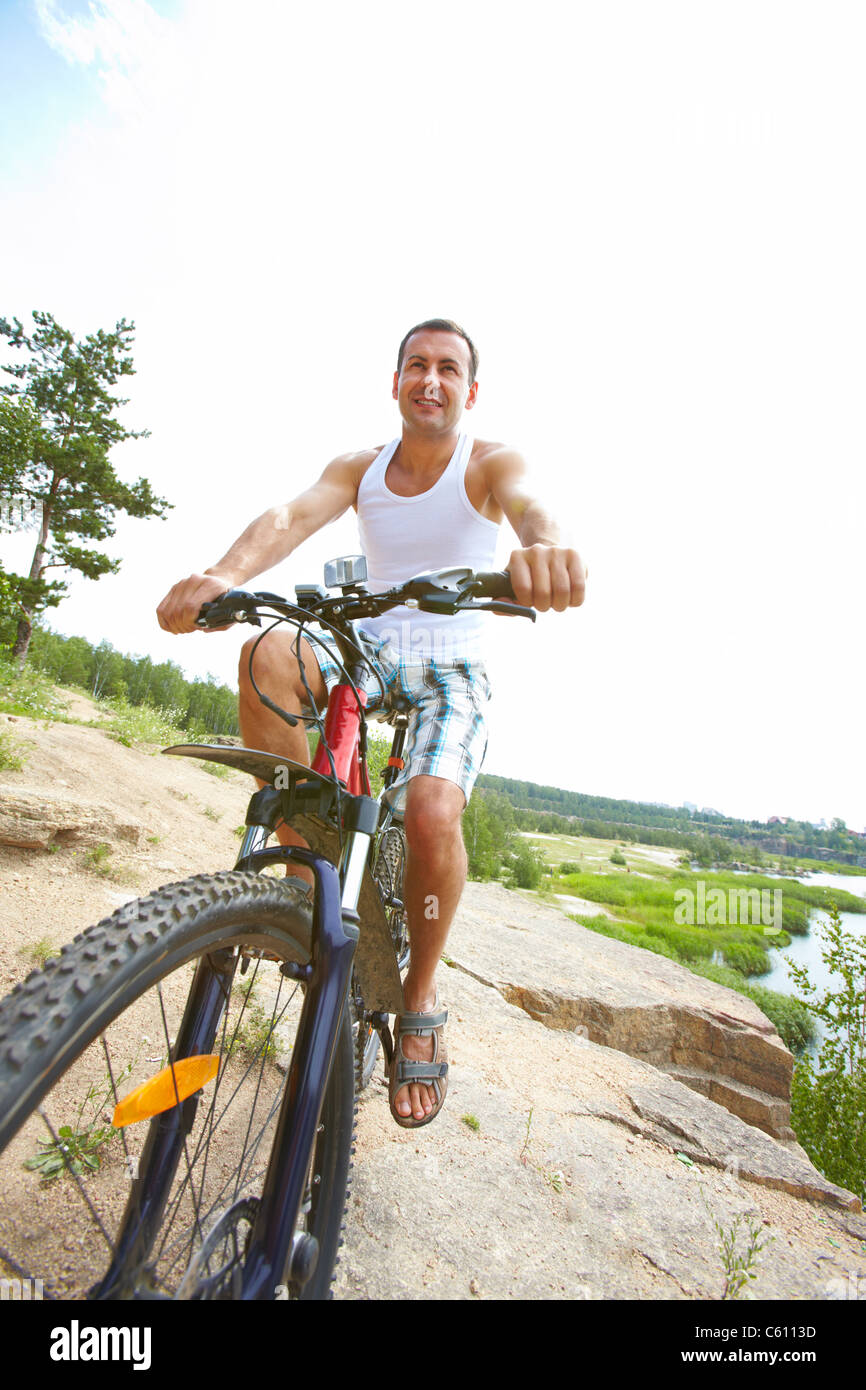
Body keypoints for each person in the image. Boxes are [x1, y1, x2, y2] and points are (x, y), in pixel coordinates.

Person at [157, 317, 586, 1127]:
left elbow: (534, 511)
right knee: (268, 652)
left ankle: (419, 992)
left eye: (447, 369)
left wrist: (546, 549)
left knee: (429, 811)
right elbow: (290, 516)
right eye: (416, 366)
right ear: (395, 383)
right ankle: (299, 879)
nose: (431, 380)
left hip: (449, 667)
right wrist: (222, 575)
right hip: (369, 650)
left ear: (470, 390)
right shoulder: (363, 467)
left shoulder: (490, 462)